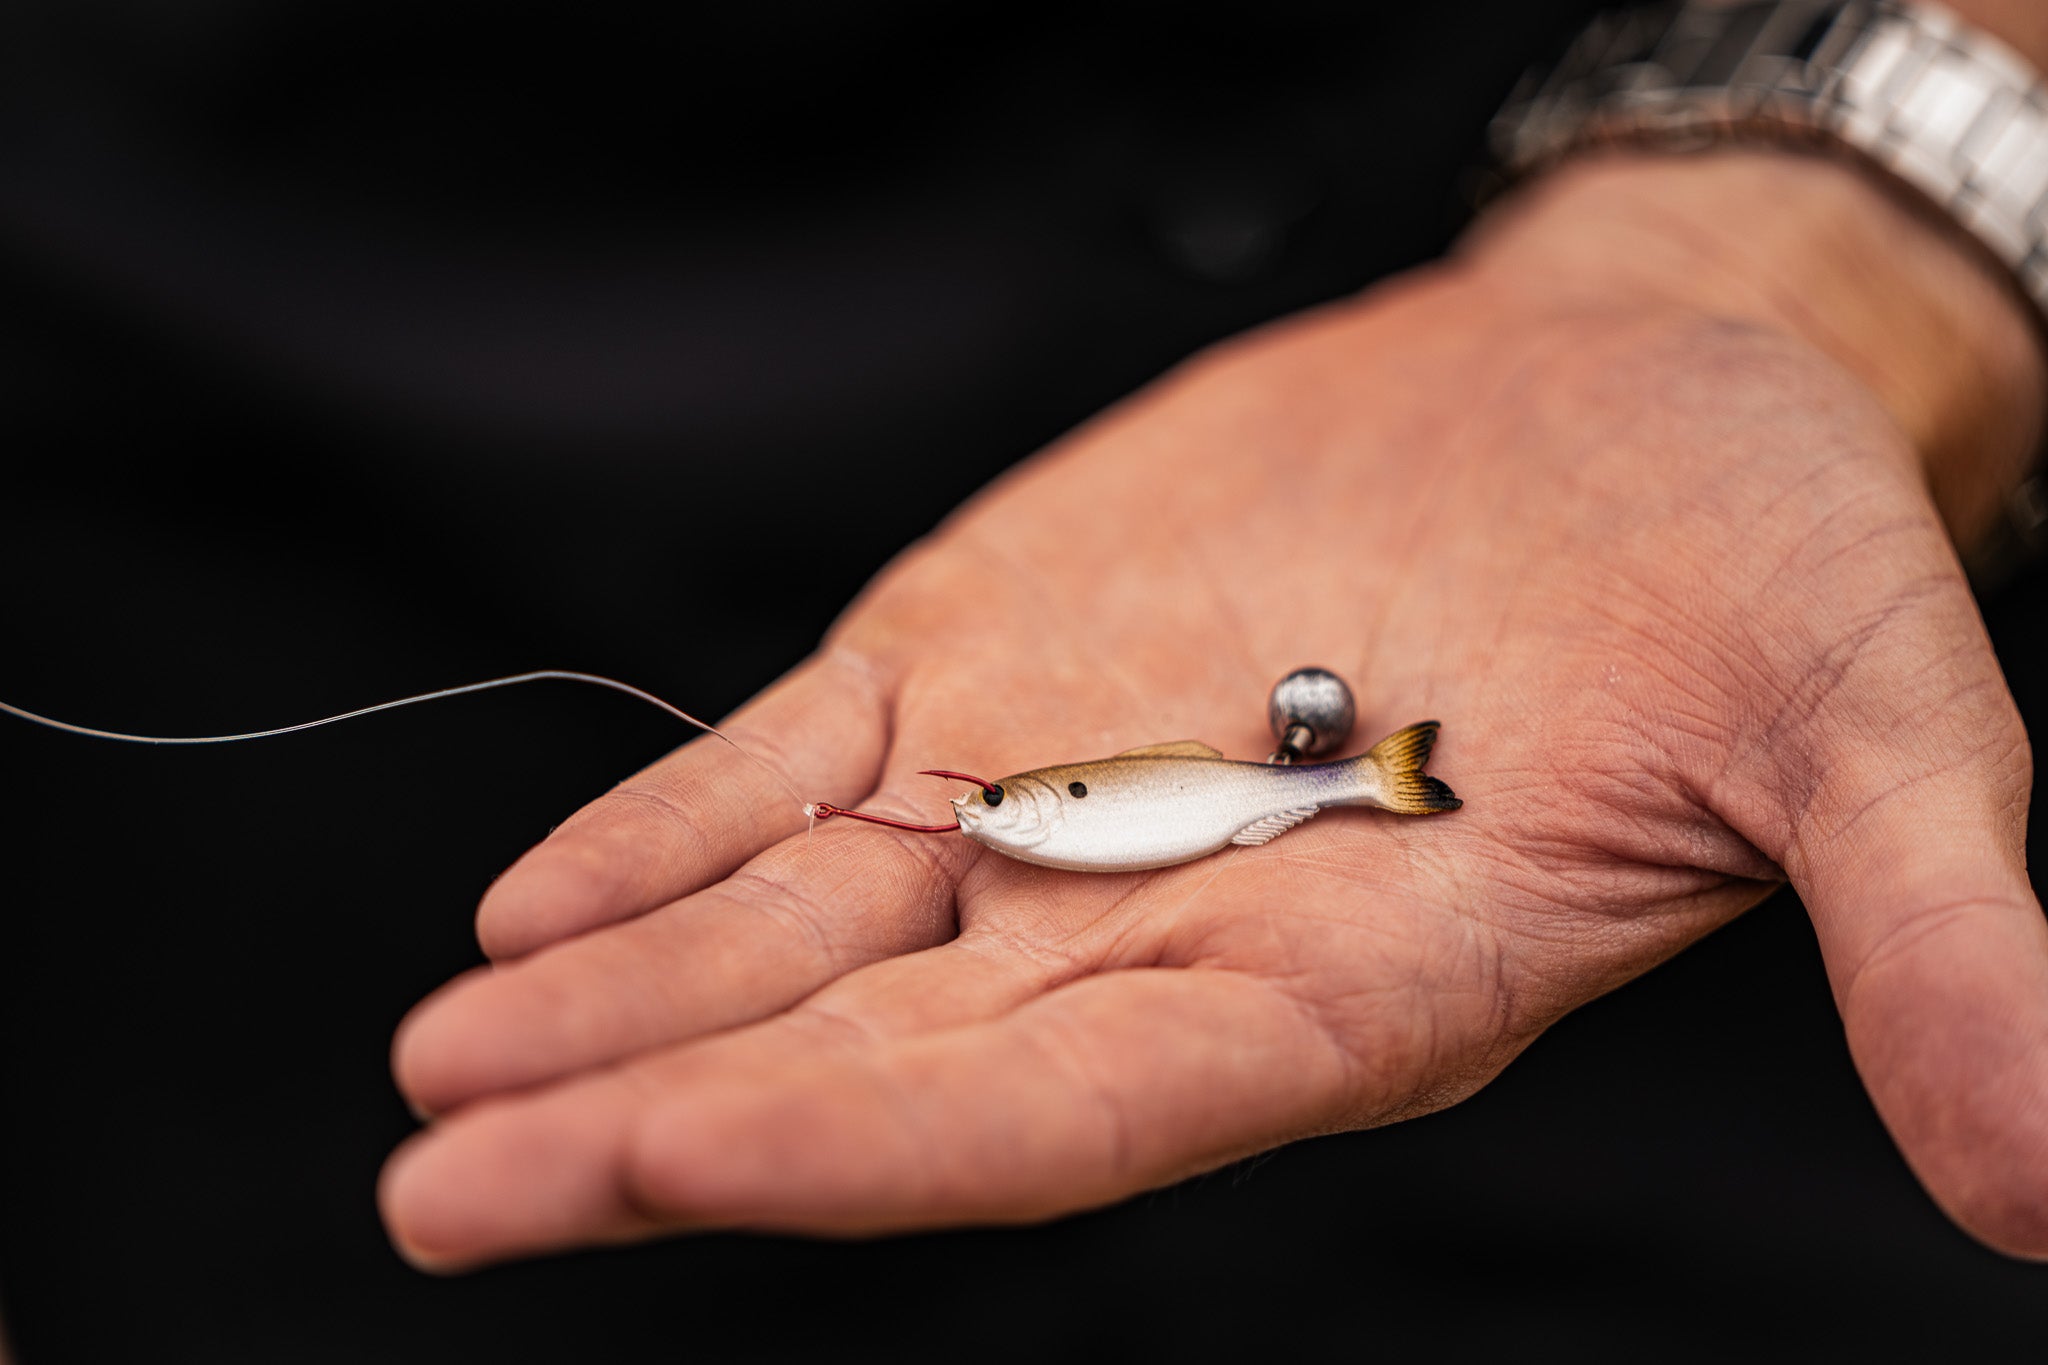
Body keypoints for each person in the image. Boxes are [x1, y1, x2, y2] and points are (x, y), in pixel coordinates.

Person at [372, 1, 2048, 1271]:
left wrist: (1806, 266)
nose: (1003, 816)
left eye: (1013, 807)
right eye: (1010, 809)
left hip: (1692, 1167)